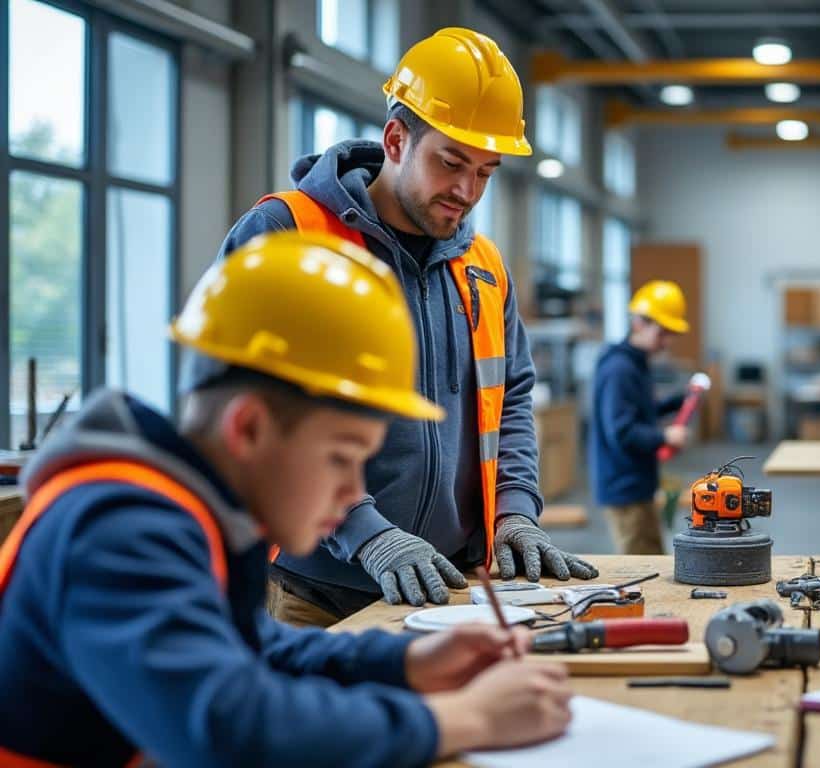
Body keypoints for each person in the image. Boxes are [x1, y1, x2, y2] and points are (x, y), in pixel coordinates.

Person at [0, 232, 572, 766]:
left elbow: (251, 645)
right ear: (248, 429)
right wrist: (464, 718)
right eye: (341, 458)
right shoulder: (118, 530)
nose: (355, 494)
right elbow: (227, 727)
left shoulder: (188, 516)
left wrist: (402, 663)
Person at [220, 28, 596, 625]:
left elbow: (512, 401)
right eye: (451, 163)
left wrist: (515, 511)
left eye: (486, 173)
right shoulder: (287, 237)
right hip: (315, 597)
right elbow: (250, 413)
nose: (466, 192)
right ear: (397, 138)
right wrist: (367, 533)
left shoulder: (483, 268)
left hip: (454, 592)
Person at [589, 281, 694, 554]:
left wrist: (679, 401)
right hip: (625, 488)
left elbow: (639, 411)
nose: (667, 341)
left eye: (671, 333)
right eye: (663, 332)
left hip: (637, 483)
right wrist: (665, 435)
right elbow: (622, 431)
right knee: (643, 565)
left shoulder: (635, 363)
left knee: (651, 555)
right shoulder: (620, 369)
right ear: (639, 323)